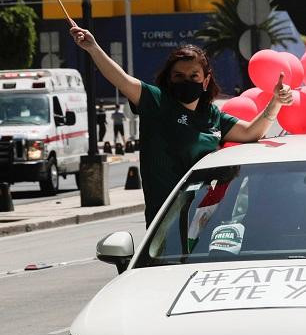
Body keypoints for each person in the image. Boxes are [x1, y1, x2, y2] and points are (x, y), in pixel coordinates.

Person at [70, 25, 292, 225]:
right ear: (169, 79)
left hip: (207, 221)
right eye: (178, 76)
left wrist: (276, 102)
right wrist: (93, 48)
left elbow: (252, 132)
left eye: (193, 76)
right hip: (166, 226)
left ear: (205, 81)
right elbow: (122, 80)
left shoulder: (211, 114)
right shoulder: (156, 103)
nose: (186, 81)